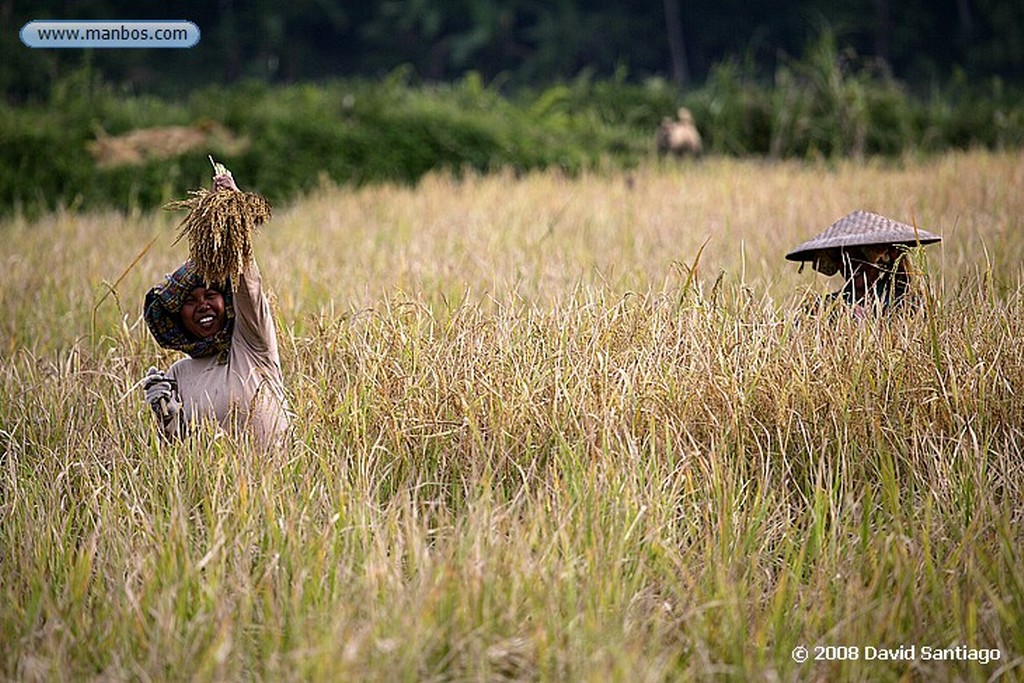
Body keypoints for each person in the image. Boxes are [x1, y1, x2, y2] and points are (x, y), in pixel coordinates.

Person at [142, 172, 289, 448]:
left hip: (276, 484)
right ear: (177, 315)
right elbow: (180, 454)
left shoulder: (251, 343)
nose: (203, 305)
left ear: (226, 302)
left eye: (211, 294)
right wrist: (165, 416)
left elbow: (248, 285)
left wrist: (231, 214)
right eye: (190, 301)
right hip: (222, 490)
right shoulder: (179, 374)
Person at [785, 210, 941, 317]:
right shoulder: (821, 308)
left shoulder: (909, 304)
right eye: (844, 259)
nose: (851, 266)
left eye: (861, 258)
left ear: (881, 260)